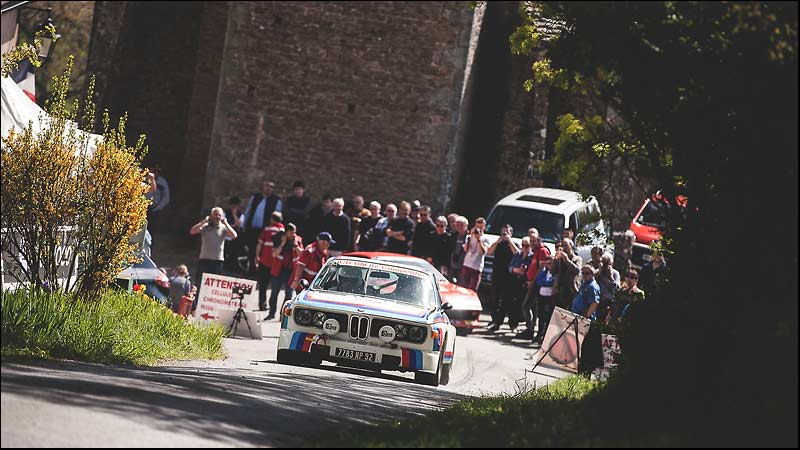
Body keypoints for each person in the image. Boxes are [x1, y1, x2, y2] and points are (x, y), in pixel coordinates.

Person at [190, 207, 237, 309]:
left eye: (219, 215)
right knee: (199, 284)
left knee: (214, 285)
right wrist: (203, 222)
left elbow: (234, 236)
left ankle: (211, 307)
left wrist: (226, 223)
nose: (217, 217)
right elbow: (192, 231)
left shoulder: (224, 228)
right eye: (215, 214)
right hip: (204, 259)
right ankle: (196, 306)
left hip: (217, 261)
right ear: (211, 216)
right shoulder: (206, 226)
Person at [243, 181, 282, 274]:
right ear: (263, 187)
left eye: (271, 187)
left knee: (263, 252)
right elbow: (248, 211)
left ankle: (259, 272)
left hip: (266, 230)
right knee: (251, 250)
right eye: (267, 186)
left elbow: (277, 215)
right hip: (252, 229)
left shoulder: (276, 200)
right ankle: (250, 270)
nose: (268, 188)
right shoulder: (255, 197)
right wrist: (244, 224)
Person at [487, 225, 520, 332]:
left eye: (506, 233)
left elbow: (517, 253)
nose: (504, 235)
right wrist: (497, 241)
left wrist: (509, 241)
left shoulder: (514, 244)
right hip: (497, 275)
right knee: (495, 300)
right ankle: (495, 321)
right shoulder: (498, 244)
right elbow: (489, 252)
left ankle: (512, 324)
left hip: (509, 277)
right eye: (502, 233)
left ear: (511, 234)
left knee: (508, 301)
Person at [268, 223, 303, 318]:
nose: (293, 234)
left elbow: (302, 255)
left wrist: (295, 245)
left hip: (291, 272)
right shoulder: (278, 238)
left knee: (289, 294)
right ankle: (271, 313)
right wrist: (282, 244)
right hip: (278, 270)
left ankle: (282, 316)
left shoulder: (297, 240)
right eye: (292, 232)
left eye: (295, 232)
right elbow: (274, 254)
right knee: (274, 292)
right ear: (286, 232)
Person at [254, 212, 285, 311]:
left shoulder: (266, 229)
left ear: (272, 219)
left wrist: (257, 256)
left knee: (263, 284)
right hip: (277, 262)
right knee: (275, 286)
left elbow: (259, 244)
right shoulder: (283, 230)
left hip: (264, 260)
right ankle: (272, 306)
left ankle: (262, 304)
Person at [552, 237, 583, 310]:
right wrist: (555, 260)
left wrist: (567, 260)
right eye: (562, 246)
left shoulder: (577, 258)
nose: (564, 248)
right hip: (560, 290)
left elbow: (577, 270)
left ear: (571, 246)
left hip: (571, 290)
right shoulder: (559, 259)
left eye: (566, 245)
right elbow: (552, 271)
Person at [534, 254, 557, 344]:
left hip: (549, 297)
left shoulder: (555, 274)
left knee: (547, 317)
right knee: (541, 316)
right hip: (542, 296)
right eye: (548, 263)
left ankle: (545, 336)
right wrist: (545, 282)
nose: (549, 265)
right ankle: (539, 334)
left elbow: (551, 282)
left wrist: (546, 283)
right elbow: (539, 281)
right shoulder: (544, 272)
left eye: (551, 263)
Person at [460, 224, 489, 291]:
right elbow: (465, 249)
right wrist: (470, 236)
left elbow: (483, 252)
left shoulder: (485, 239)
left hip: (476, 267)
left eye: (480, 227)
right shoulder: (469, 237)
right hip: (466, 264)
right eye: (477, 227)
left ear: (484, 227)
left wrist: (479, 239)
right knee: (463, 288)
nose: (478, 229)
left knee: (472, 290)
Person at [596, 252, 621, 322]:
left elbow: (617, 289)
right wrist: (599, 274)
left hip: (608, 302)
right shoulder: (598, 272)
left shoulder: (615, 274)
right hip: (597, 301)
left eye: (607, 264)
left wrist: (611, 277)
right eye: (604, 263)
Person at [223, 196, 245, 273]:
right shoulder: (225, 213)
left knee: (233, 253)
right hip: (225, 236)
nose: (234, 207)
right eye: (232, 206)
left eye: (235, 206)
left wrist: (234, 214)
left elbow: (239, 224)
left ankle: (231, 268)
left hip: (235, 237)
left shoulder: (241, 215)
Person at [449, 216, 469, 283]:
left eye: (461, 225)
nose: (459, 227)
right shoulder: (453, 235)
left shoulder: (469, 237)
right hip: (452, 264)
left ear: (466, 225)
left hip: (463, 266)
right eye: (457, 225)